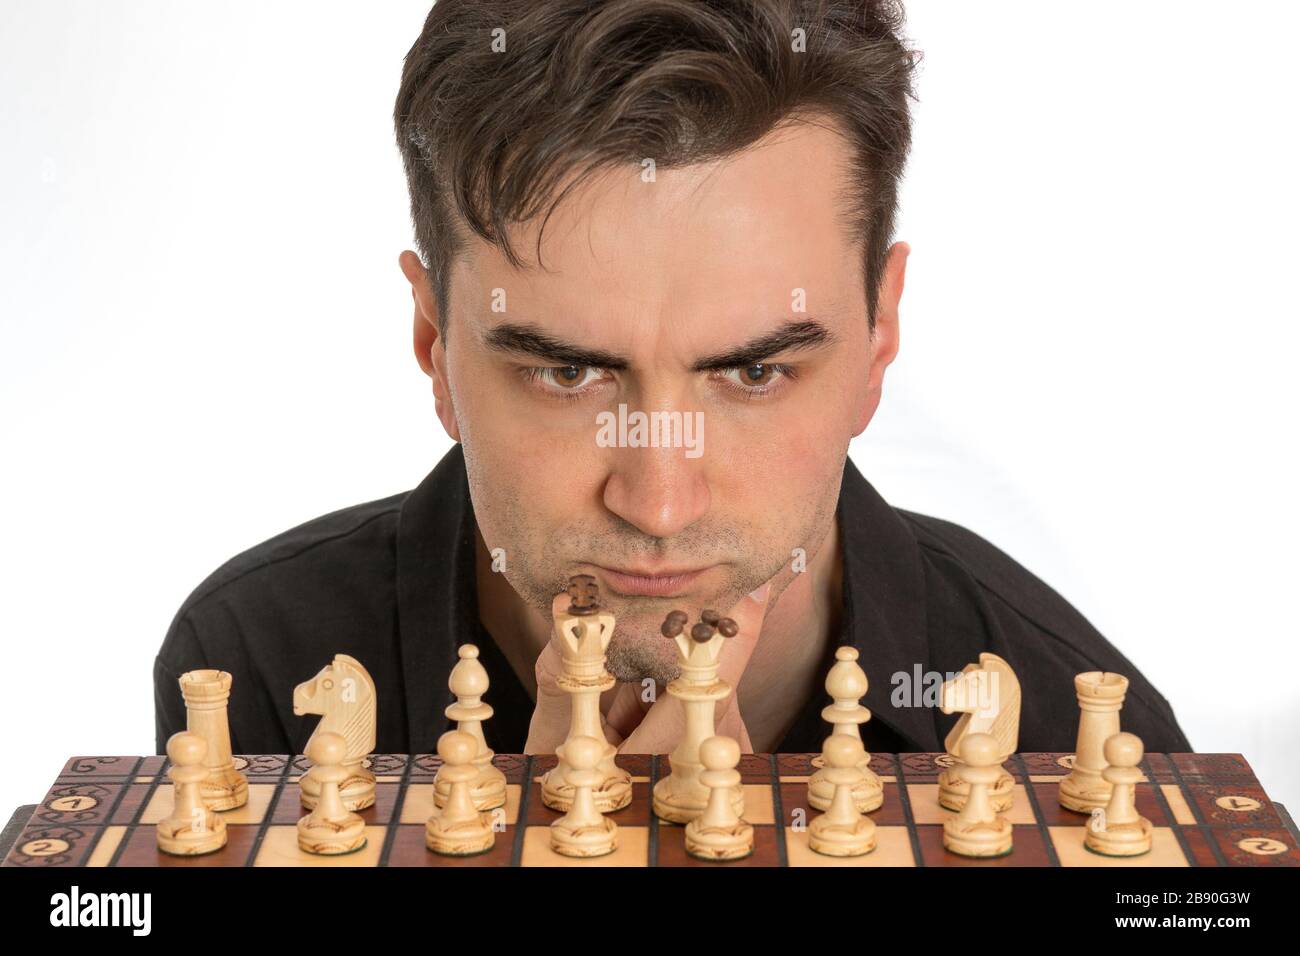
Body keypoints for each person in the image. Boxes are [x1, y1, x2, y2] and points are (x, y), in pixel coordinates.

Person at [154, 0, 1191, 759]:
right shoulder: (258, 659)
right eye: (565, 371)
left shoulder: (1076, 722)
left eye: (754, 370)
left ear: (879, 335)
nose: (658, 500)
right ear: (433, 339)